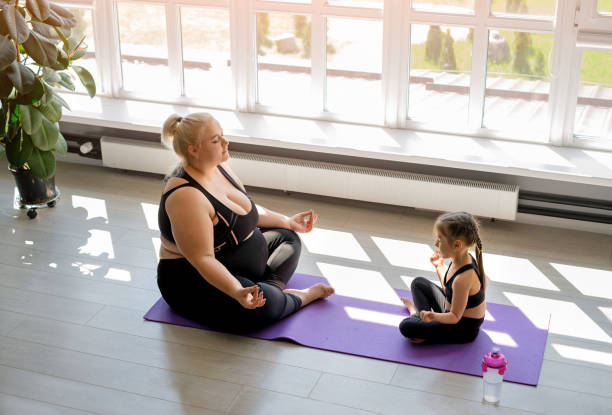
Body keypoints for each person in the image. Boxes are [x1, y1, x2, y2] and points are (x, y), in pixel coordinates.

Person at [157, 112, 334, 332]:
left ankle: (267, 292)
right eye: (215, 140)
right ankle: (297, 298)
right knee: (264, 309)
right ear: (193, 149)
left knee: (288, 238)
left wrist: (288, 221)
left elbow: (248, 211)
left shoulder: (219, 166)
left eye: (222, 136)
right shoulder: (186, 196)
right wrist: (235, 290)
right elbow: (203, 259)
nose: (225, 142)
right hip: (193, 281)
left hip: (234, 261)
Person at [399, 212, 486, 344]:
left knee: (405, 327)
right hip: (450, 311)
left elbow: (455, 317)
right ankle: (421, 319)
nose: (435, 243)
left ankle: (415, 314)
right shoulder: (459, 258)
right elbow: (449, 290)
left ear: (457, 245)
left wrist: (433, 316)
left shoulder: (463, 278)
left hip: (461, 328)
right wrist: (439, 266)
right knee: (418, 283)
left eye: (440, 240)